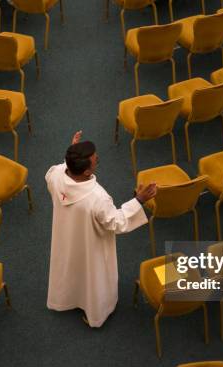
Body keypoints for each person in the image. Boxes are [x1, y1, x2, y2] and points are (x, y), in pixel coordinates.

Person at [45, 131, 157, 327]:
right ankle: (96, 313)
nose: (97, 160)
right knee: (93, 275)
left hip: (66, 239)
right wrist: (139, 200)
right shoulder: (97, 197)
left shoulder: (56, 177)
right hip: (91, 245)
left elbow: (59, 172)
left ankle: (68, 298)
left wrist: (71, 155)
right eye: (96, 160)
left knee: (69, 268)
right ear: (87, 171)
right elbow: (116, 222)